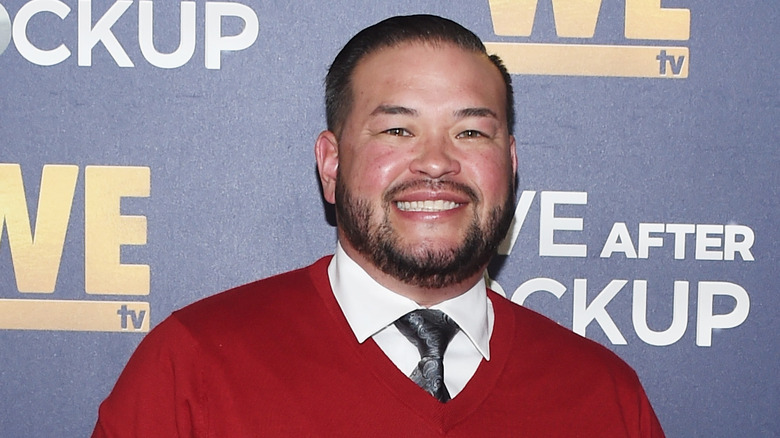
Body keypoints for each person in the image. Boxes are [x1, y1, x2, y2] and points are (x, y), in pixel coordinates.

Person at [92, 14, 664, 437]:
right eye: (397, 131)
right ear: (332, 163)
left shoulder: (605, 396)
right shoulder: (193, 368)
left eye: (470, 132)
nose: (437, 162)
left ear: (510, 166)